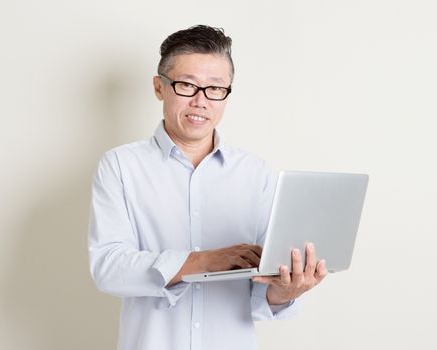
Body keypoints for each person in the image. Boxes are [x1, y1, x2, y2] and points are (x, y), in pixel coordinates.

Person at [88, 25, 327, 350]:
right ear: (160, 87)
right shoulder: (120, 165)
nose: (201, 101)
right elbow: (109, 268)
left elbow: (263, 288)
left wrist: (286, 290)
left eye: (215, 89)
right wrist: (202, 261)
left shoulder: (254, 172)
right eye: (187, 85)